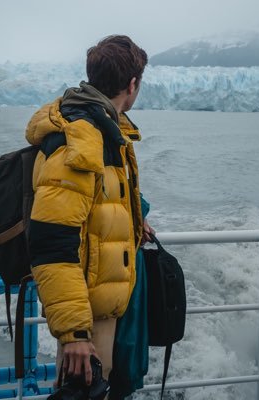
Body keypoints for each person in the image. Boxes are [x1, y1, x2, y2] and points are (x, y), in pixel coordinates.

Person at [25, 35, 153, 397]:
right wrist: (75, 333)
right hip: (86, 314)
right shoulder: (82, 137)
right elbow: (52, 240)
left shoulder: (104, 126)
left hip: (99, 303)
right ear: (132, 84)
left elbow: (96, 201)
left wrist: (132, 221)